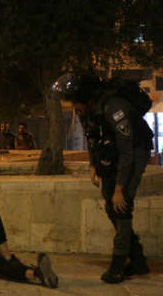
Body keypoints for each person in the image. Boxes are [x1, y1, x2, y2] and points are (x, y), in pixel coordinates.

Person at [52, 72, 153, 284]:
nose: (73, 107)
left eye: (75, 102)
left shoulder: (115, 108)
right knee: (110, 206)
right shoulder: (85, 111)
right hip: (112, 152)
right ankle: (138, 259)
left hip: (134, 151)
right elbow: (92, 137)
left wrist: (119, 188)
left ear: (87, 99)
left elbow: (128, 152)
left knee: (121, 205)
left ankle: (118, 264)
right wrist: (92, 165)